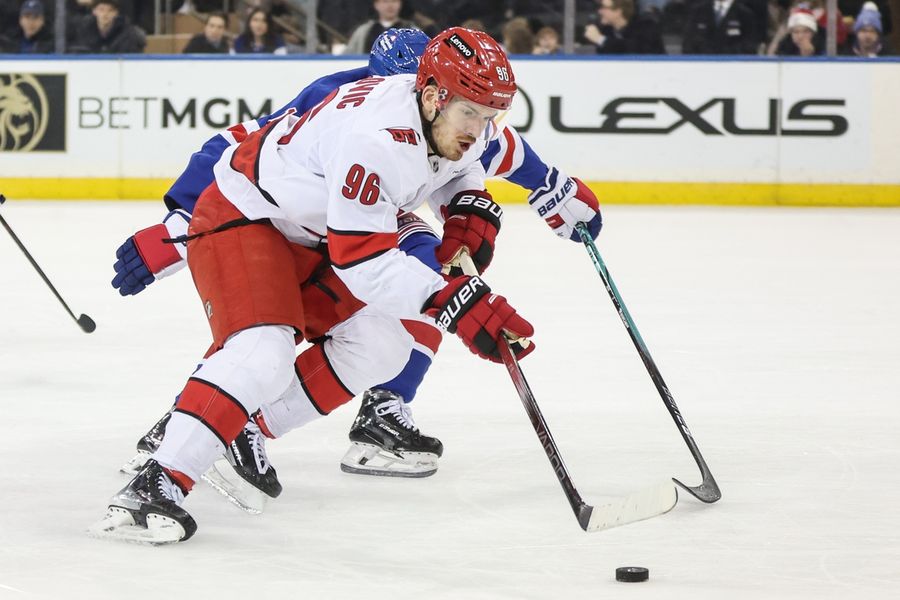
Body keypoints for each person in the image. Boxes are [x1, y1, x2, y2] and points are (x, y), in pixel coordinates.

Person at [110, 28, 601, 509]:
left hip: (326, 224)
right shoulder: (373, 135)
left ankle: (238, 425)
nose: (479, 125)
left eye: (490, 113)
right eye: (469, 111)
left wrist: (510, 196)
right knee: (264, 348)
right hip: (252, 217)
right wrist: (455, 303)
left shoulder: (461, 120)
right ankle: (158, 480)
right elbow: (362, 259)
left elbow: (488, 151)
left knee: (384, 344)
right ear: (428, 95)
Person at [584, 0, 666, 54]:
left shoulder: (646, 27)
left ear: (618, 11)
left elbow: (634, 51)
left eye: (604, 7)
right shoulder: (607, 31)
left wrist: (600, 39)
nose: (600, 11)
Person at [681, 0, 761, 55]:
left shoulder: (746, 14)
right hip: (702, 68)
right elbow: (688, 43)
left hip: (734, 69)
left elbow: (750, 47)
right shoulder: (697, 11)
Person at [70, 0, 146, 53]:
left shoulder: (127, 34)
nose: (105, 14)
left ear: (116, 13)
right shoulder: (84, 30)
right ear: (94, 11)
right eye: (101, 10)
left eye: (110, 10)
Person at [343, 0, 415, 54]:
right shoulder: (363, 31)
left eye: (394, 1)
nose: (390, 5)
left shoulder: (411, 31)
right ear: (376, 5)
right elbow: (348, 55)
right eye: (385, 1)